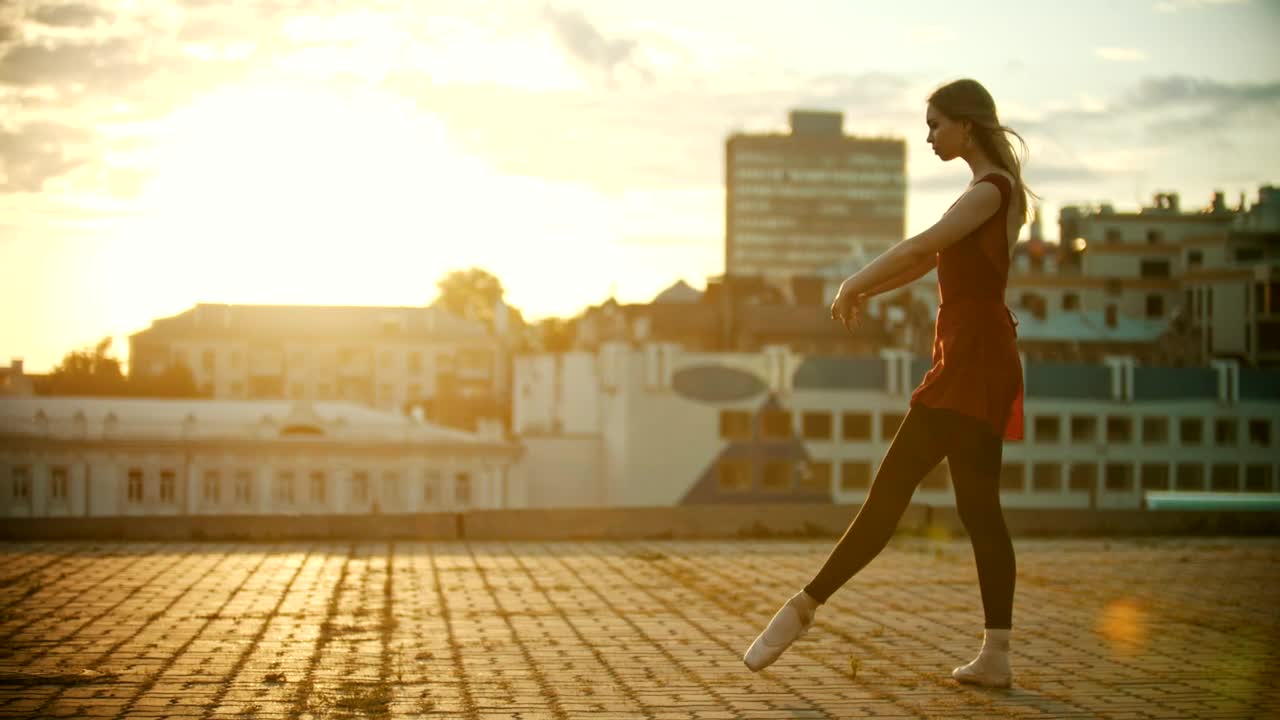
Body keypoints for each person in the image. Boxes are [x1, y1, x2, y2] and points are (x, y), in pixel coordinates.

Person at [743, 78, 1034, 689]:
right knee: (979, 509)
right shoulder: (993, 191)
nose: (929, 137)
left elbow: (920, 247)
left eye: (935, 125)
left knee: (892, 494)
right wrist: (867, 290)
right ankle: (997, 654)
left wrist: (853, 283)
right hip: (978, 354)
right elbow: (928, 260)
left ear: (967, 125)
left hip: (972, 360)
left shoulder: (989, 191)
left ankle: (804, 607)